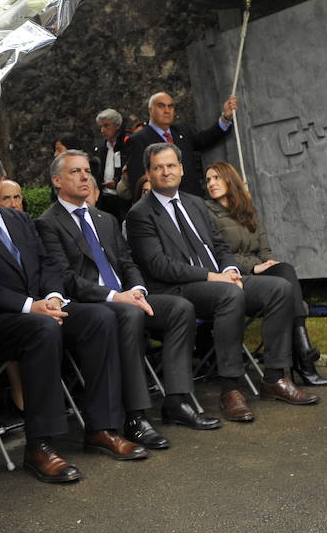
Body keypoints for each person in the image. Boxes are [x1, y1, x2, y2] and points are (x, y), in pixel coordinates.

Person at [0, 146, 148, 478]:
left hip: (41, 309)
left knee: (99, 318)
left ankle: (101, 428)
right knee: (41, 329)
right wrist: (31, 306)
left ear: (0, 178)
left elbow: (47, 265)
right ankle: (39, 445)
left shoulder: (19, 219)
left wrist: (55, 297)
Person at [127, 143, 320, 422]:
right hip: (180, 289)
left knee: (280, 289)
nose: (166, 172)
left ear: (181, 169)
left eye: (171, 165)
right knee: (229, 295)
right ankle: (231, 389)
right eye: (158, 167)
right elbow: (159, 265)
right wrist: (213, 277)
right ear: (148, 173)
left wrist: (229, 269)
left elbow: (219, 245)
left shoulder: (195, 204)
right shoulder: (140, 214)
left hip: (220, 280)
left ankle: (276, 378)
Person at [36, 150, 221, 439]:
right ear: (57, 181)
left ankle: (177, 400)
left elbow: (126, 262)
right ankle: (136, 417)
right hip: (90, 306)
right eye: (76, 172)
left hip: (126, 299)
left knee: (179, 308)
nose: (86, 176)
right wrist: (115, 297)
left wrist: (136, 290)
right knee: (129, 314)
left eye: (87, 170)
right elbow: (65, 279)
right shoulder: (47, 223)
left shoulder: (104, 219)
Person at [204, 161, 327, 386]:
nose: (211, 184)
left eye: (216, 178)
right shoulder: (207, 212)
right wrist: (252, 267)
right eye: (208, 180)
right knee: (284, 283)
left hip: (260, 272)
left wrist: (267, 262)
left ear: (229, 180)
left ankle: (301, 352)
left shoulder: (248, 209)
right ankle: (304, 358)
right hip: (234, 276)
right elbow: (219, 253)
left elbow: (264, 248)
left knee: (285, 270)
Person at [126, 91, 237, 199]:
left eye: (170, 106)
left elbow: (204, 139)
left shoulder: (182, 131)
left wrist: (226, 118)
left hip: (194, 199)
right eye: (161, 106)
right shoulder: (138, 140)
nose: (167, 110)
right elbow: (138, 181)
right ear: (150, 110)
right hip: (165, 204)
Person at [94, 108, 130, 219]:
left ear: (117, 125)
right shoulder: (101, 147)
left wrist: (117, 181)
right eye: (101, 127)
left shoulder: (127, 144)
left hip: (123, 199)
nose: (103, 130)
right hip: (104, 198)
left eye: (106, 126)